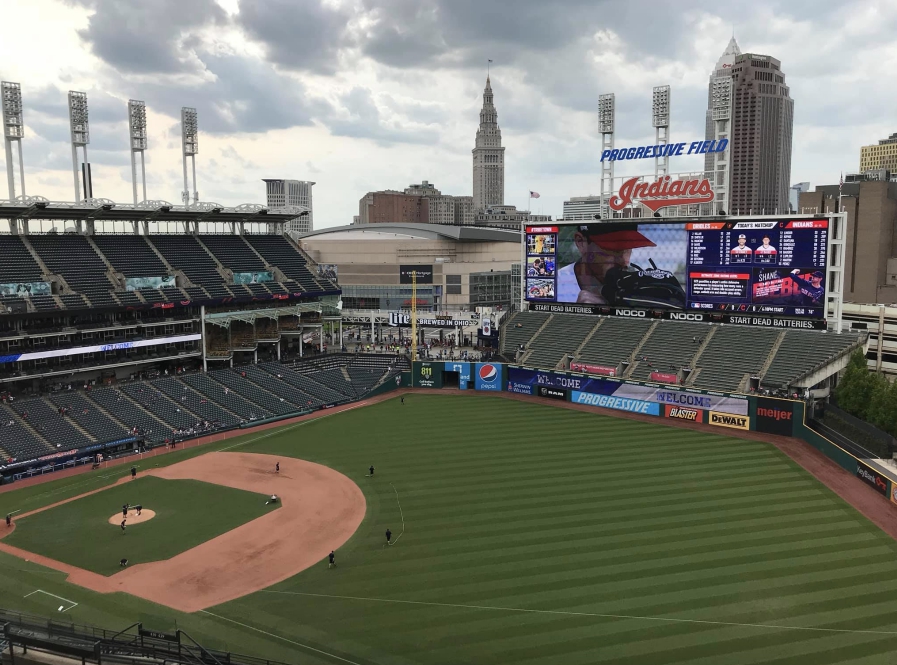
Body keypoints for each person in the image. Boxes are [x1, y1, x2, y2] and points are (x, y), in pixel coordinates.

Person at [556, 224, 656, 304]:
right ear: (581, 242)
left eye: (627, 249)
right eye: (614, 249)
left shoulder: (638, 287)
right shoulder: (554, 287)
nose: (624, 261)